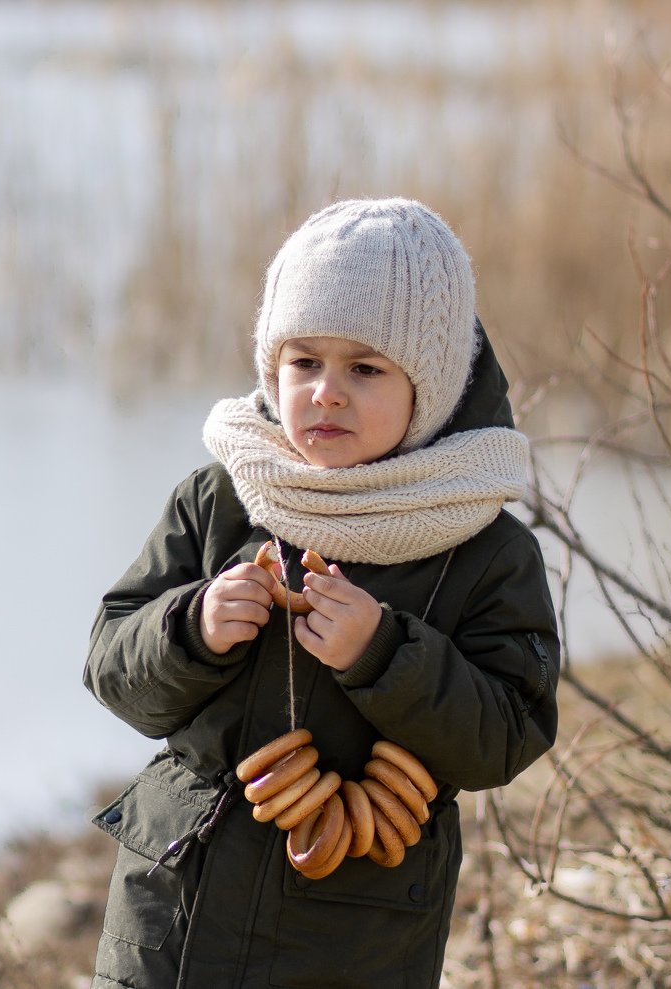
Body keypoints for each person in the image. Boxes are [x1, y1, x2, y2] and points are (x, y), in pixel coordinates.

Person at [84, 197, 560, 989]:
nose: (326, 393)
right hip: (169, 921)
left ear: (431, 386)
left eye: (365, 368)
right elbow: (111, 666)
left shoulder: (483, 547)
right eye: (303, 362)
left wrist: (387, 654)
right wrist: (191, 628)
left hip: (350, 940)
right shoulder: (222, 498)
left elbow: (510, 732)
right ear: (272, 369)